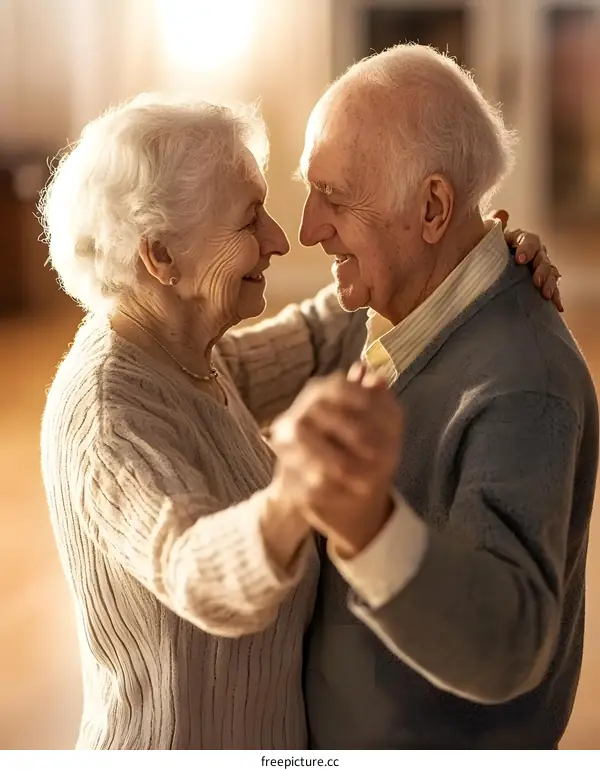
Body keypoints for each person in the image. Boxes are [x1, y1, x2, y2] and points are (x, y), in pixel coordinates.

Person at [40, 92, 560, 750]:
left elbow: (319, 336)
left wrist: (469, 252)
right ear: (162, 258)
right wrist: (294, 495)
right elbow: (190, 568)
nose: (281, 240)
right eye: (250, 218)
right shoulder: (107, 419)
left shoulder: (189, 355)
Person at [269, 44, 598, 750]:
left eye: (335, 195)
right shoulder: (405, 301)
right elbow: (258, 354)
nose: (307, 228)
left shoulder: (522, 384)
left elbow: (512, 641)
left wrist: (369, 527)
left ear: (432, 206)